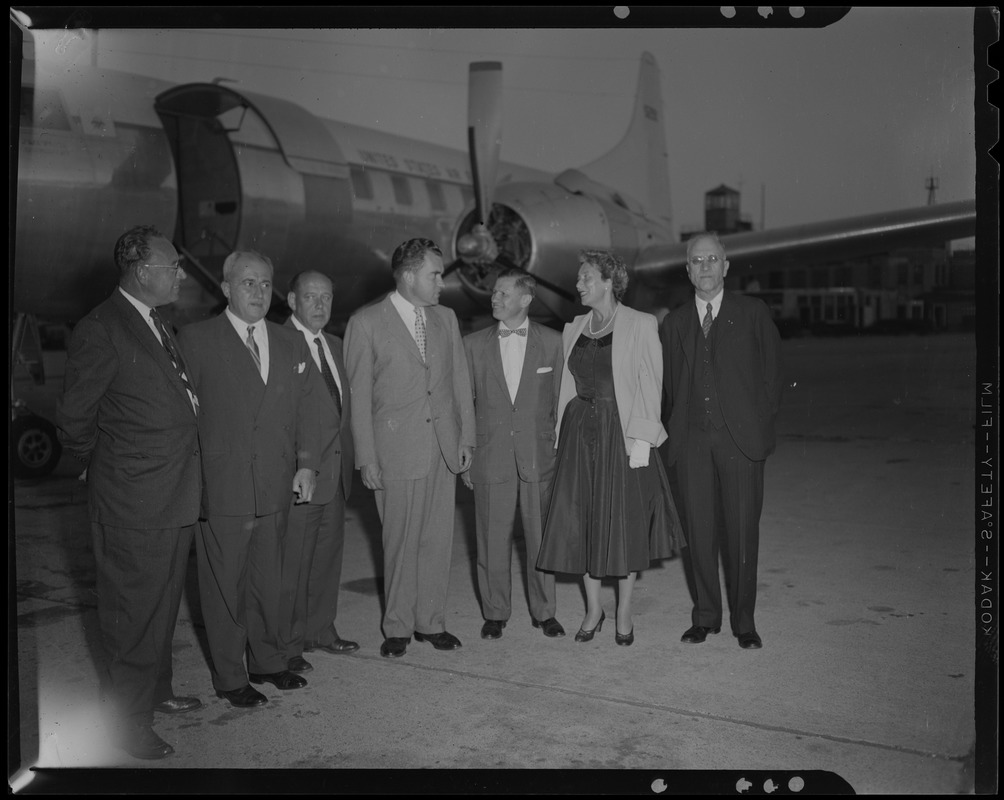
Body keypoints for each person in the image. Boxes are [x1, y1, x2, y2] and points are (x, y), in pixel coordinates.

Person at [56, 225, 202, 760]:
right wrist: (104, 468)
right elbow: (74, 420)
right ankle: (126, 722)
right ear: (143, 272)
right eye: (173, 267)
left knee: (161, 606)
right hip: (133, 500)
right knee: (132, 614)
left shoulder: (154, 322)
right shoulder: (103, 327)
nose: (180, 275)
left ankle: (156, 692)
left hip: (172, 492)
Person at [177, 250, 321, 707]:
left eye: (264, 284)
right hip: (224, 488)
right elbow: (184, 418)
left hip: (276, 484)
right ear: (225, 289)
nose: (258, 293)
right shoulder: (196, 340)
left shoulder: (288, 341)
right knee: (224, 588)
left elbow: (305, 411)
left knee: (270, 581)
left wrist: (306, 463)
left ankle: (269, 661)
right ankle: (230, 677)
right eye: (247, 283)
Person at [537, 250, 682, 646]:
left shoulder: (640, 324)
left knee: (620, 524)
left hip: (621, 434)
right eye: (580, 278)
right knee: (581, 520)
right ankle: (593, 608)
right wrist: (556, 435)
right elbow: (566, 386)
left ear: (607, 282)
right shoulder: (573, 327)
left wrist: (643, 441)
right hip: (578, 433)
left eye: (586, 277)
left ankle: (623, 610)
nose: (579, 284)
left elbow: (652, 384)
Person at [344, 238, 475, 659]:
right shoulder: (366, 323)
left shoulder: (446, 319)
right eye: (435, 274)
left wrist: (466, 439)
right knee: (399, 541)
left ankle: (431, 623)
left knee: (437, 540)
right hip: (395, 450)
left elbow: (460, 385)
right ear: (407, 276)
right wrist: (365, 457)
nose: (442, 282)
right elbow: (358, 397)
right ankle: (397, 626)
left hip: (442, 447)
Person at [659, 232, 782, 650]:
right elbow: (671, 387)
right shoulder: (674, 322)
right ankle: (706, 616)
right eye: (697, 260)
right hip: (693, 442)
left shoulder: (752, 312)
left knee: (743, 533)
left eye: (713, 259)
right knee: (700, 532)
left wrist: (756, 427)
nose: (705, 266)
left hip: (740, 442)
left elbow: (773, 376)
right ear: (688, 269)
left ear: (726, 267)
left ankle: (744, 622)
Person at [462, 269, 565, 641]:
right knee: (491, 538)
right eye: (494, 293)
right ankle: (495, 612)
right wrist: (467, 455)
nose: (495, 299)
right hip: (491, 457)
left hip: (538, 458)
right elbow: (464, 404)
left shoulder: (554, 343)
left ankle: (545, 612)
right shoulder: (471, 345)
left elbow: (559, 403)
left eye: (504, 294)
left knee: (541, 539)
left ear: (526, 299)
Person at [278, 270, 358, 674]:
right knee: (293, 564)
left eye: (326, 297)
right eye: (311, 297)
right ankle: (289, 644)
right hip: (301, 477)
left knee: (327, 560)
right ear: (292, 301)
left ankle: (321, 630)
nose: (320, 305)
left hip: (335, 475)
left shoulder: (336, 346)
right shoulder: (278, 343)